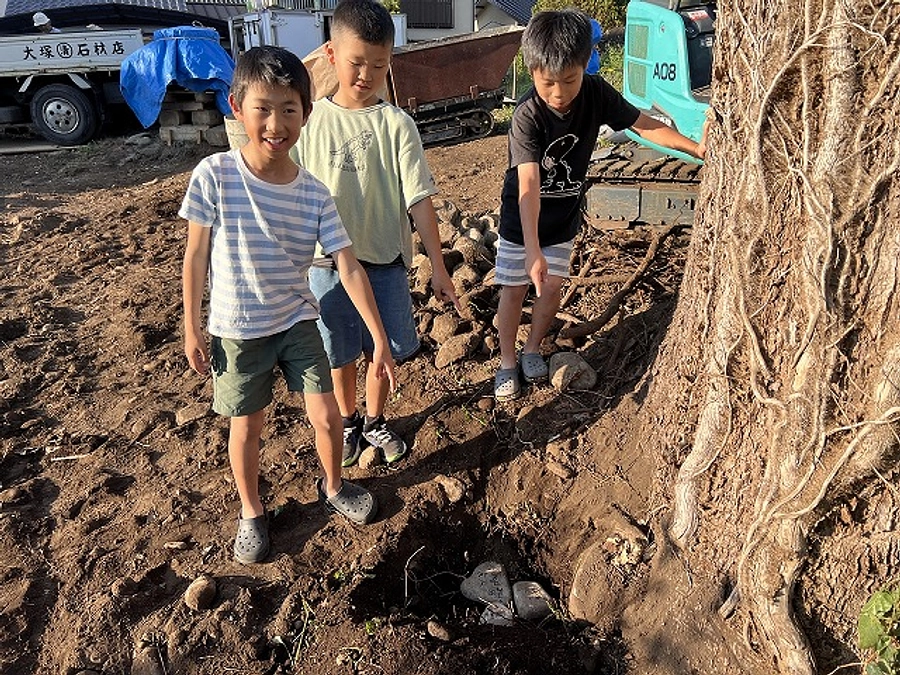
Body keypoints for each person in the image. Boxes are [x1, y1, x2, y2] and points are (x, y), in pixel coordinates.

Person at [181, 45, 397, 564]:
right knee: (247, 425)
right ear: (237, 106)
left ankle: (333, 484)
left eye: (289, 110)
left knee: (327, 416)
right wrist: (191, 326)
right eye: (263, 108)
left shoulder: (315, 194)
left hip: (297, 319)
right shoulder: (215, 175)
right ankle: (252, 512)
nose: (276, 124)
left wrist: (381, 339)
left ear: (306, 112)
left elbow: (347, 264)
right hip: (237, 327)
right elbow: (195, 253)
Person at [494, 9, 708, 400]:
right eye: (548, 84)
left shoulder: (596, 93)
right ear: (532, 70)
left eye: (569, 81)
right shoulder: (527, 115)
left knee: (552, 289)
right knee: (513, 291)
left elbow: (643, 124)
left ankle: (532, 349)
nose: (559, 94)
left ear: (584, 64)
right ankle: (507, 360)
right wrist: (531, 249)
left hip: (561, 219)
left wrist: (696, 148)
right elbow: (528, 180)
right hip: (520, 221)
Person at [293, 0, 459, 468]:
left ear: (390, 64)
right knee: (338, 353)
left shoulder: (397, 124)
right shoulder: (308, 124)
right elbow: (294, 197)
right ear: (330, 54)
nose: (366, 74)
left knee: (380, 352)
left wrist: (440, 266)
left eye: (379, 65)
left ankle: (375, 419)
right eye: (356, 63)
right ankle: (348, 421)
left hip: (385, 262)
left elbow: (419, 200)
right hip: (328, 267)